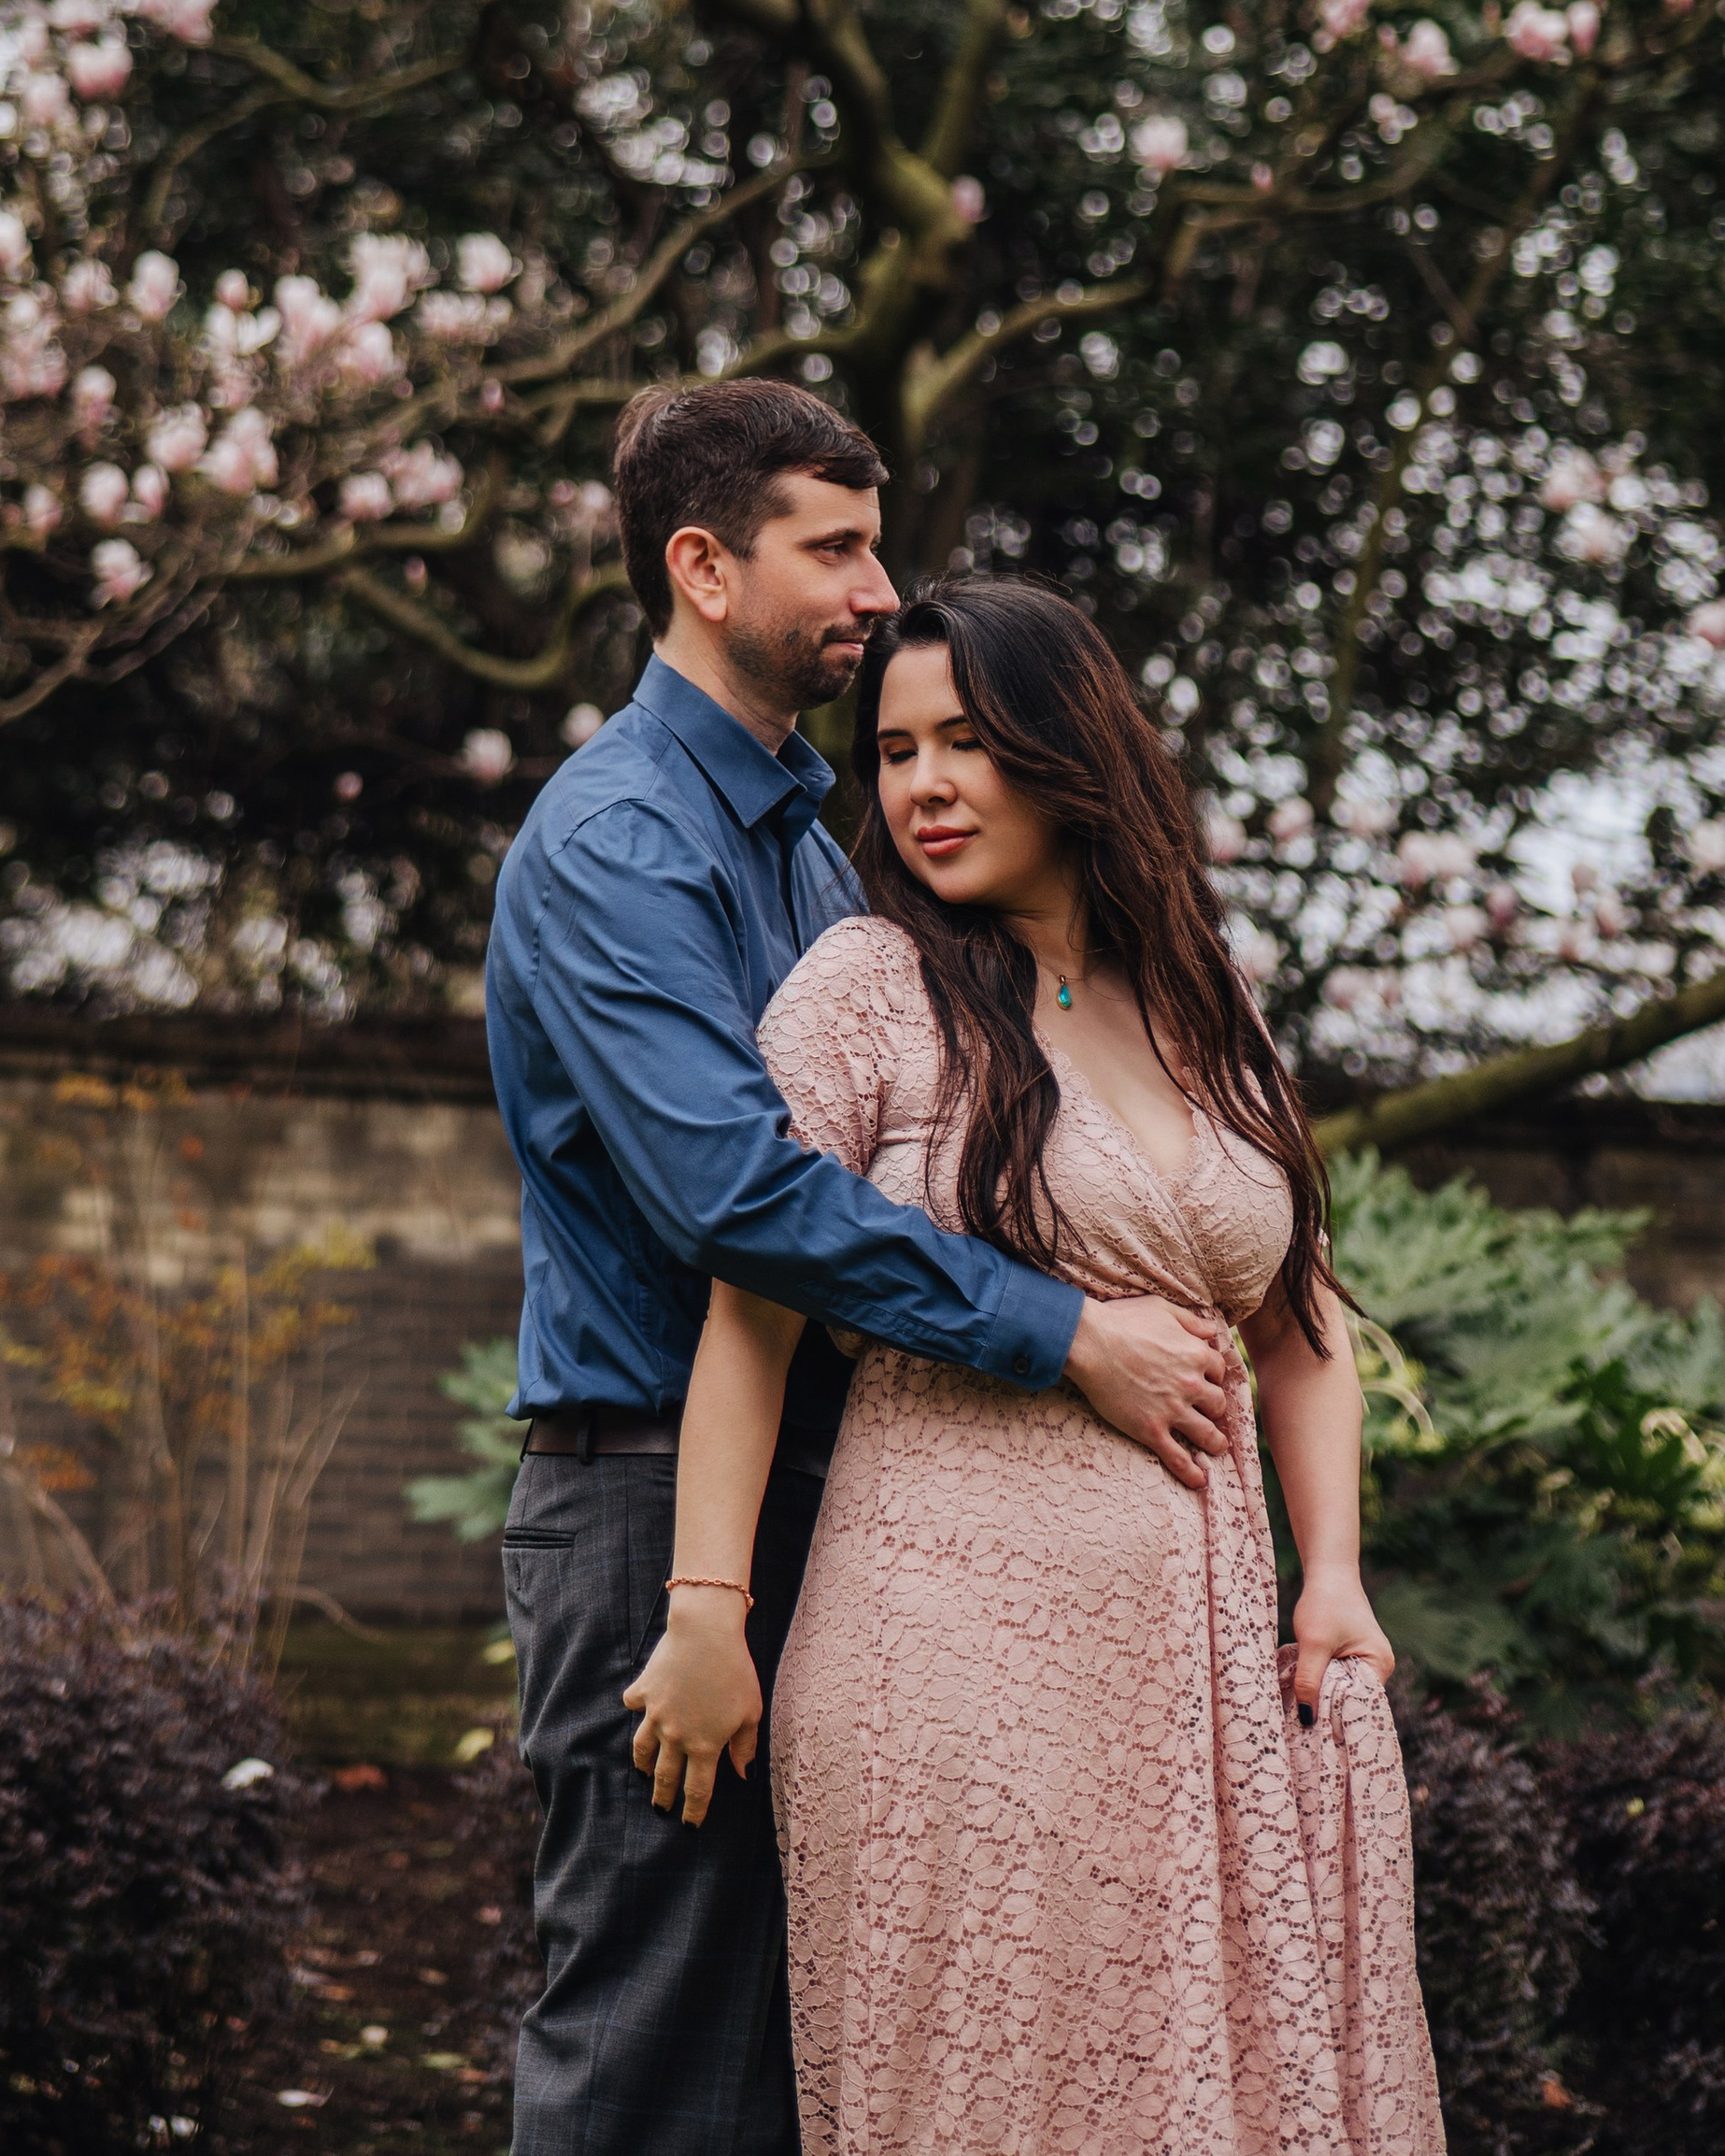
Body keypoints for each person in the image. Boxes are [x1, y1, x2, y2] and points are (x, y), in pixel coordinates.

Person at [485, 385, 1239, 2156]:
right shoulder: (620, 847)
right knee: (654, 2034)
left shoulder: (818, 849)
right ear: (701, 567)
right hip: (653, 1495)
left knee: (805, 2053)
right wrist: (1062, 1334)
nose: (875, 587)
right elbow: (739, 1204)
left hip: (838, 1499)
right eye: (832, 547)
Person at [627, 578, 1445, 2156]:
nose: (923, 785)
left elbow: (1304, 1325)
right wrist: (707, 1612)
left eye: (969, 743)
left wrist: (1332, 1572)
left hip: (1193, 1669)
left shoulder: (1210, 999)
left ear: (1069, 751)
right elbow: (751, 1313)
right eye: (895, 751)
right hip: (943, 1660)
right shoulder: (869, 989)